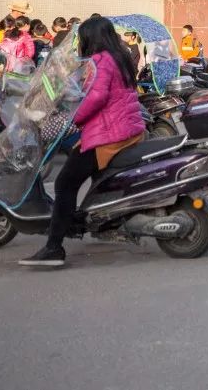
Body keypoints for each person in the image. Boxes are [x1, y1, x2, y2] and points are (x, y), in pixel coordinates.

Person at [18, 16, 146, 268]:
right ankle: (79, 220)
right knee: (78, 173)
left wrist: (72, 118)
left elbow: (96, 97)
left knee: (66, 182)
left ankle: (54, 247)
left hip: (110, 134)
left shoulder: (102, 60)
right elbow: (87, 89)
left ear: (90, 39)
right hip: (124, 129)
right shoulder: (119, 58)